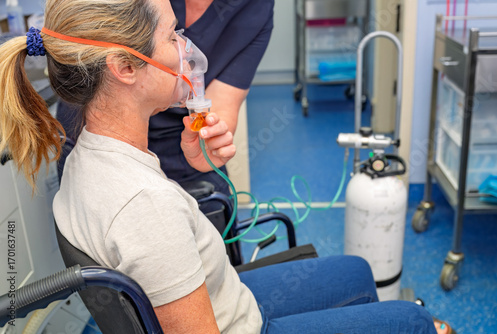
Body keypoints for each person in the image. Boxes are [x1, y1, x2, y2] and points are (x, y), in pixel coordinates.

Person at [0, 0, 438, 333]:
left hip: (223, 294)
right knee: (412, 322)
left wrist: (201, 147)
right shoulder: (144, 205)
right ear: (125, 68)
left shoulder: (90, 160)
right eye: (173, 37)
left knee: (357, 272)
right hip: (238, 322)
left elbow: (214, 115)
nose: (187, 50)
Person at [55, 0, 274, 196]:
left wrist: (206, 140)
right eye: (172, 38)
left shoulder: (254, 8)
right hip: (101, 129)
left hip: (183, 147)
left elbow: (220, 107)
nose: (188, 56)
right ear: (125, 65)